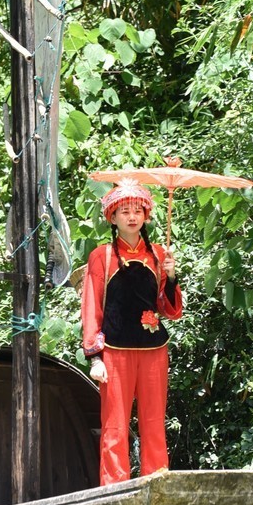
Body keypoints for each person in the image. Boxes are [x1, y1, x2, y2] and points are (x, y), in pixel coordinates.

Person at [81, 179, 182, 486]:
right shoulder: (102, 256)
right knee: (114, 425)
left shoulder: (159, 254)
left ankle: (157, 483)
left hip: (153, 350)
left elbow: (171, 310)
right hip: (113, 351)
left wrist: (172, 276)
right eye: (124, 211)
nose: (131, 216)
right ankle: (114, 488)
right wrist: (94, 355)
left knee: (153, 422)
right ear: (112, 217)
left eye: (137, 210)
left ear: (146, 215)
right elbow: (91, 307)